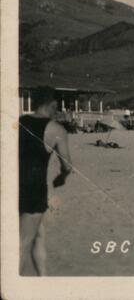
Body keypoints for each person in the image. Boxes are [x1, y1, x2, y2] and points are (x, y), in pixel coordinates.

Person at [19, 86, 73, 276]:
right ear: (53, 104)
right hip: (34, 190)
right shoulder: (56, 129)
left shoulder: (18, 121)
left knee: (39, 235)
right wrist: (62, 178)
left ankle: (43, 279)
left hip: (13, 185)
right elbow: (67, 166)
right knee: (24, 243)